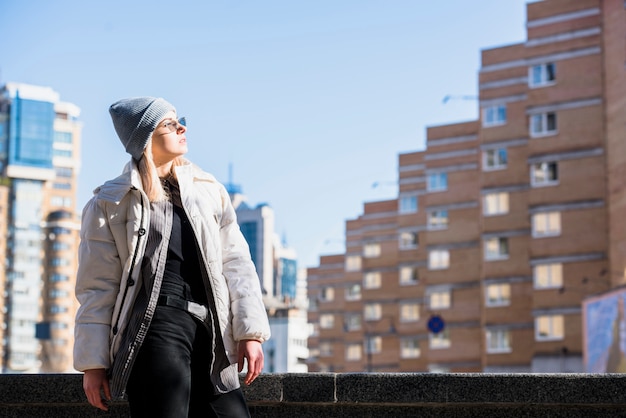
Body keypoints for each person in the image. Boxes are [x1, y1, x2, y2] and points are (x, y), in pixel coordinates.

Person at [73, 96, 271, 417]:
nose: (182, 128)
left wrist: (250, 332)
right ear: (145, 137)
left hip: (212, 328)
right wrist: (92, 364)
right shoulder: (110, 202)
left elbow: (236, 263)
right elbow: (97, 287)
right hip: (155, 327)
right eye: (169, 123)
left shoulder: (209, 190)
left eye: (180, 119)